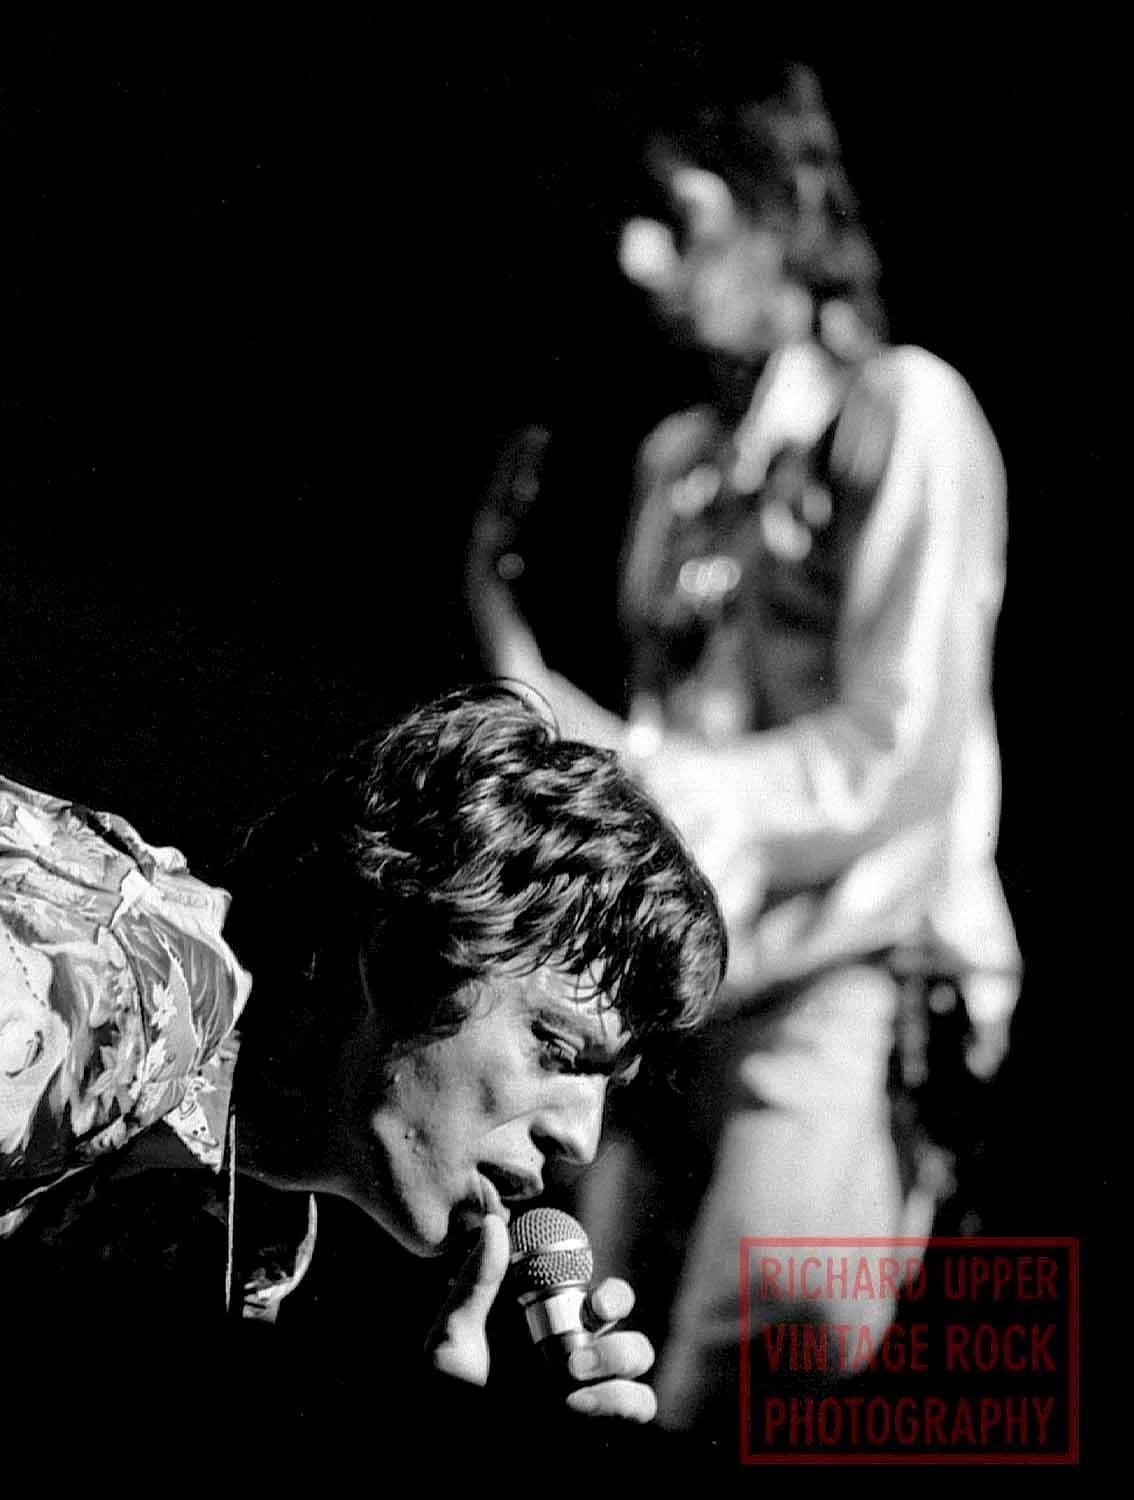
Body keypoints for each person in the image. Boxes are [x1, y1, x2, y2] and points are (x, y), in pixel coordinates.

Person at [464, 65, 1021, 1440]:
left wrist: (654, 780)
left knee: (759, 1377)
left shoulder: (903, 410)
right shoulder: (679, 462)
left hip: (848, 975)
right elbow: (666, 744)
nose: (637, 256)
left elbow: (895, 754)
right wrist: (508, 644)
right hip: (676, 989)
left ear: (781, 220)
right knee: (578, 1364)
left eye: (683, 219)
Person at [0, 684, 725, 1455]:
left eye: (608, 1086)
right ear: (402, 957)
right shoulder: (109, 984)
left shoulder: (251, 1227)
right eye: (557, 1048)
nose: (580, 1138)